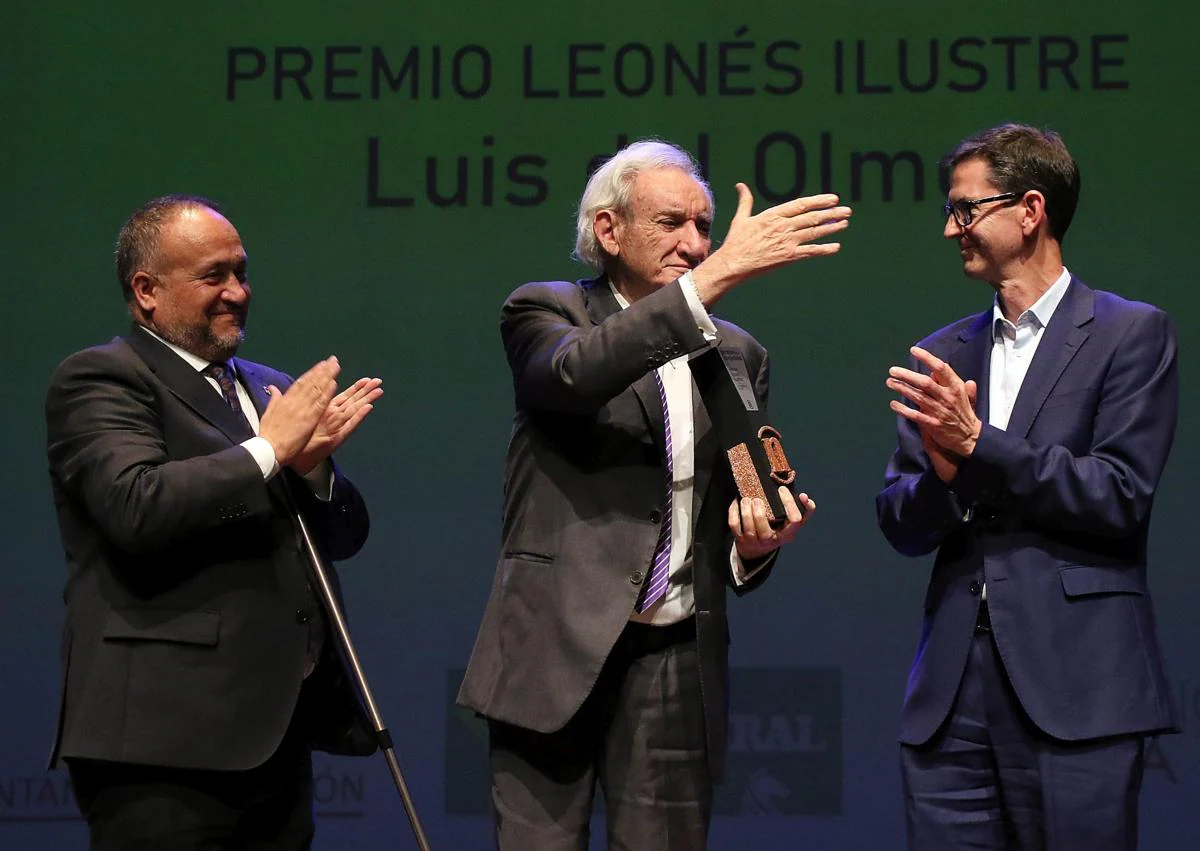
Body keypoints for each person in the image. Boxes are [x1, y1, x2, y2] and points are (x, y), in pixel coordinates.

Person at [458, 139, 851, 849]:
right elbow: (573, 378)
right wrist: (712, 283)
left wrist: (755, 546)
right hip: (554, 648)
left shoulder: (738, 352)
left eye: (704, 227)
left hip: (674, 656)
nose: (697, 243)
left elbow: (739, 498)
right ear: (608, 232)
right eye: (673, 223)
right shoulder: (546, 312)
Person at [45, 194, 384, 849]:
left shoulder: (268, 389)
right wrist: (267, 452)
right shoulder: (103, 378)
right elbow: (135, 506)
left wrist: (311, 471)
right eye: (213, 276)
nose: (236, 292)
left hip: (276, 736)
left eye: (241, 272)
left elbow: (342, 537)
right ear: (146, 291)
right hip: (162, 745)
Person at [877, 124, 1178, 850]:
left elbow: (1117, 495)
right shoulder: (945, 352)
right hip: (952, 695)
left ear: (1030, 210)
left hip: (1077, 686)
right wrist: (945, 478)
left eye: (966, 209)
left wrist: (980, 444)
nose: (952, 228)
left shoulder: (1129, 335)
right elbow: (899, 518)